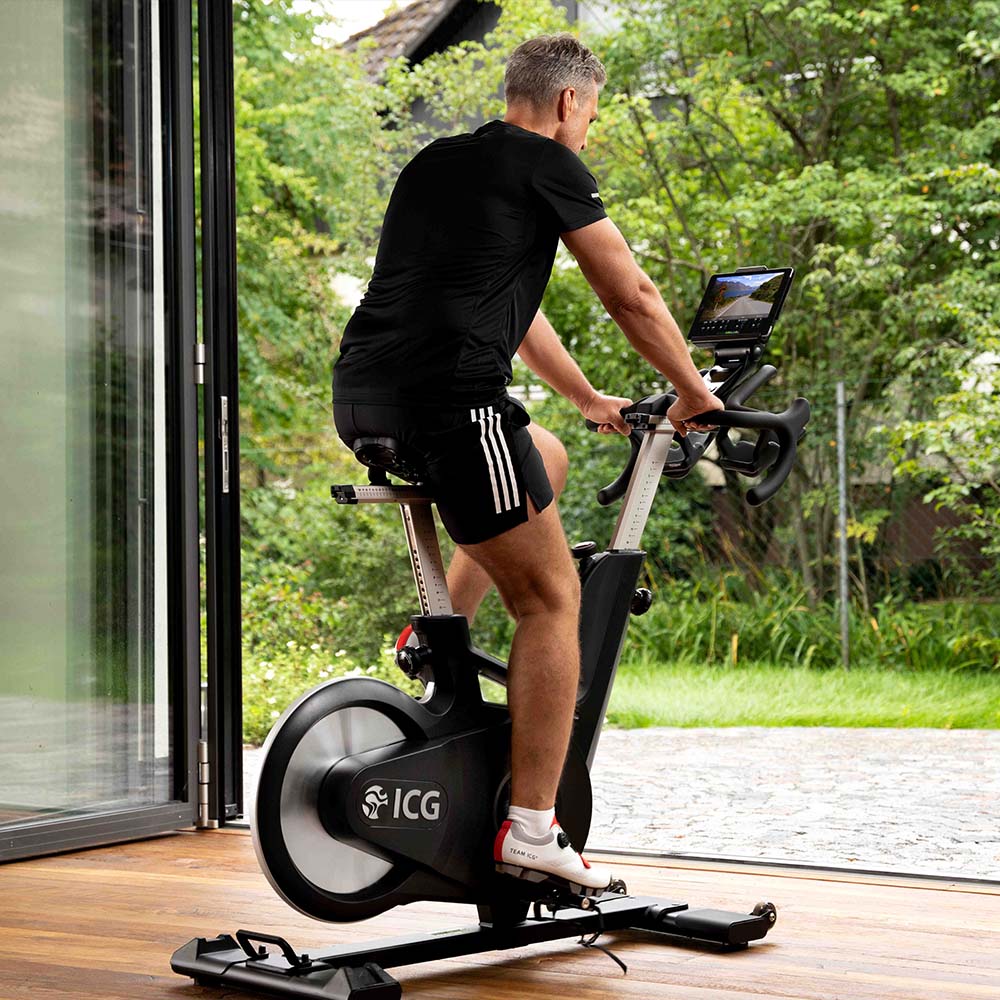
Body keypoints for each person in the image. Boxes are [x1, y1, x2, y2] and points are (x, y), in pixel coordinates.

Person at [332, 33, 724, 893]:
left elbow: (511, 308)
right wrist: (696, 392)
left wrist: (586, 400)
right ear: (568, 104)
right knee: (552, 600)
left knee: (540, 453)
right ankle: (534, 829)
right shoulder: (549, 164)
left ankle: (434, 638)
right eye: (591, 112)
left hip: (364, 396)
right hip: (453, 406)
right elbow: (633, 294)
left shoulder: (438, 162)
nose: (588, 128)